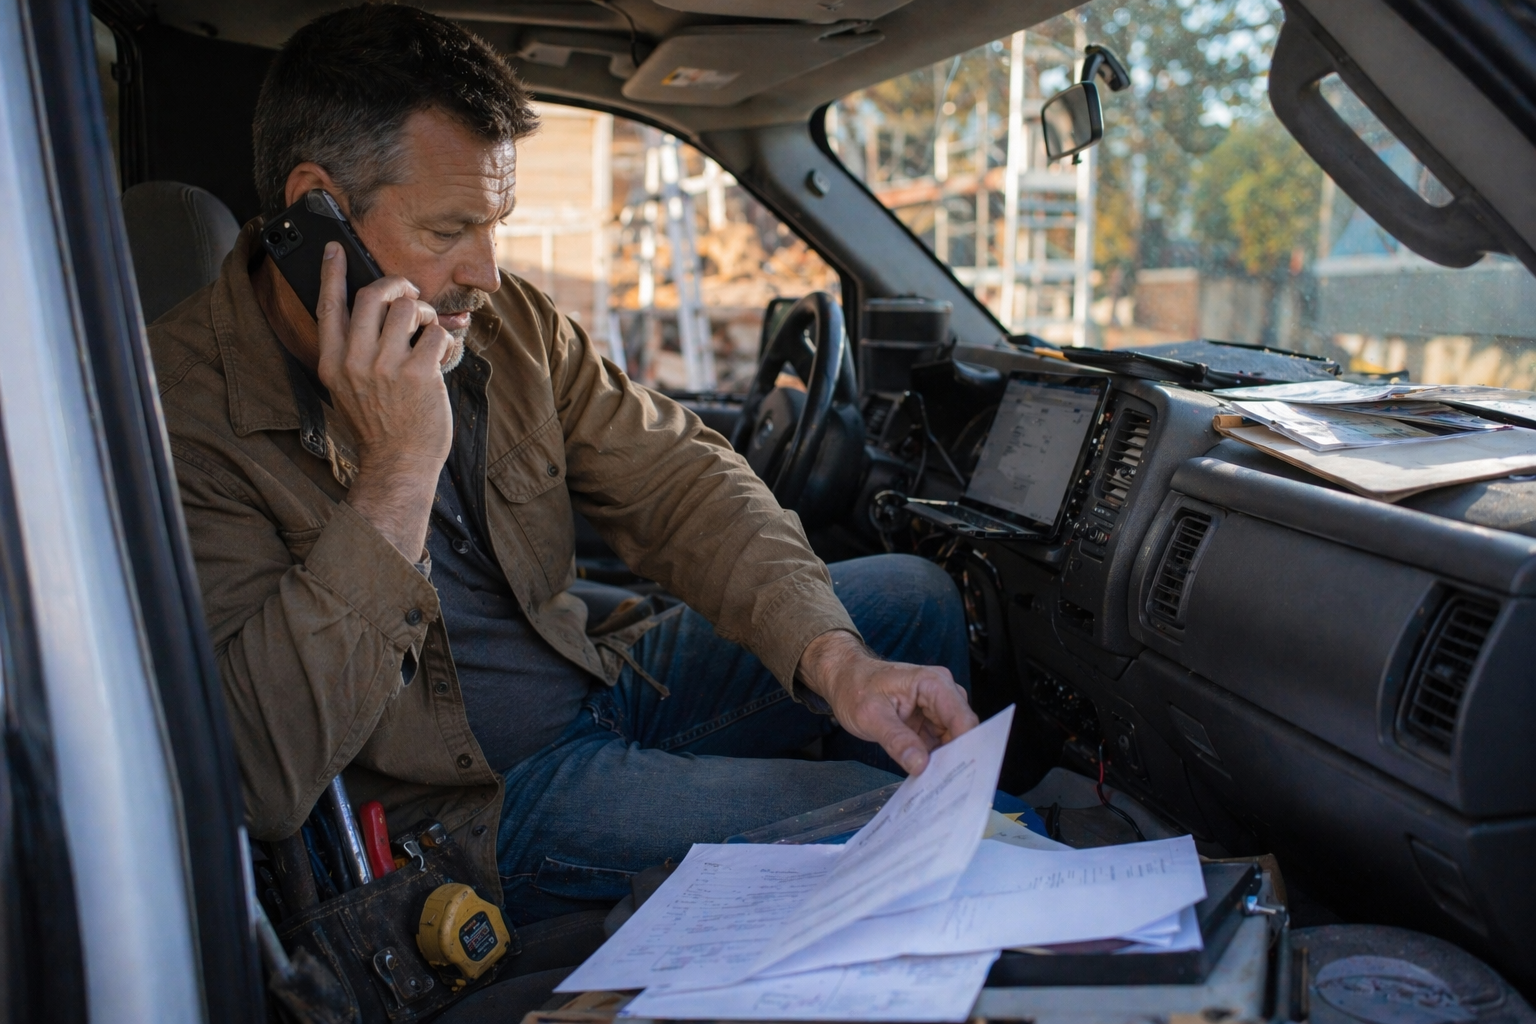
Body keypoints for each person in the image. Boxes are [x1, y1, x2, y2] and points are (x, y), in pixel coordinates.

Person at [151, 3, 976, 923]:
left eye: (494, 223)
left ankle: (845, 931)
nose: (487, 274)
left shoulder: (507, 326)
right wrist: (399, 468)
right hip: (475, 810)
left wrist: (835, 664)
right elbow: (257, 768)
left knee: (908, 607)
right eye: (449, 230)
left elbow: (678, 480)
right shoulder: (172, 417)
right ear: (318, 212)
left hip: (595, 682)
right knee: (893, 827)